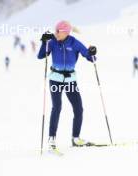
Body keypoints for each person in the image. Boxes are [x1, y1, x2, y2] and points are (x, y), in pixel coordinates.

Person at [37, 21, 97, 150]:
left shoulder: (74, 42)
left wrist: (92, 52)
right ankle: (52, 138)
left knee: (78, 109)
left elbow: (90, 57)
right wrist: (44, 42)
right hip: (55, 79)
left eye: (58, 31)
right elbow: (41, 56)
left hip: (70, 80)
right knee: (57, 107)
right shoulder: (52, 41)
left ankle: (76, 139)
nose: (56, 33)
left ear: (66, 32)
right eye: (55, 30)